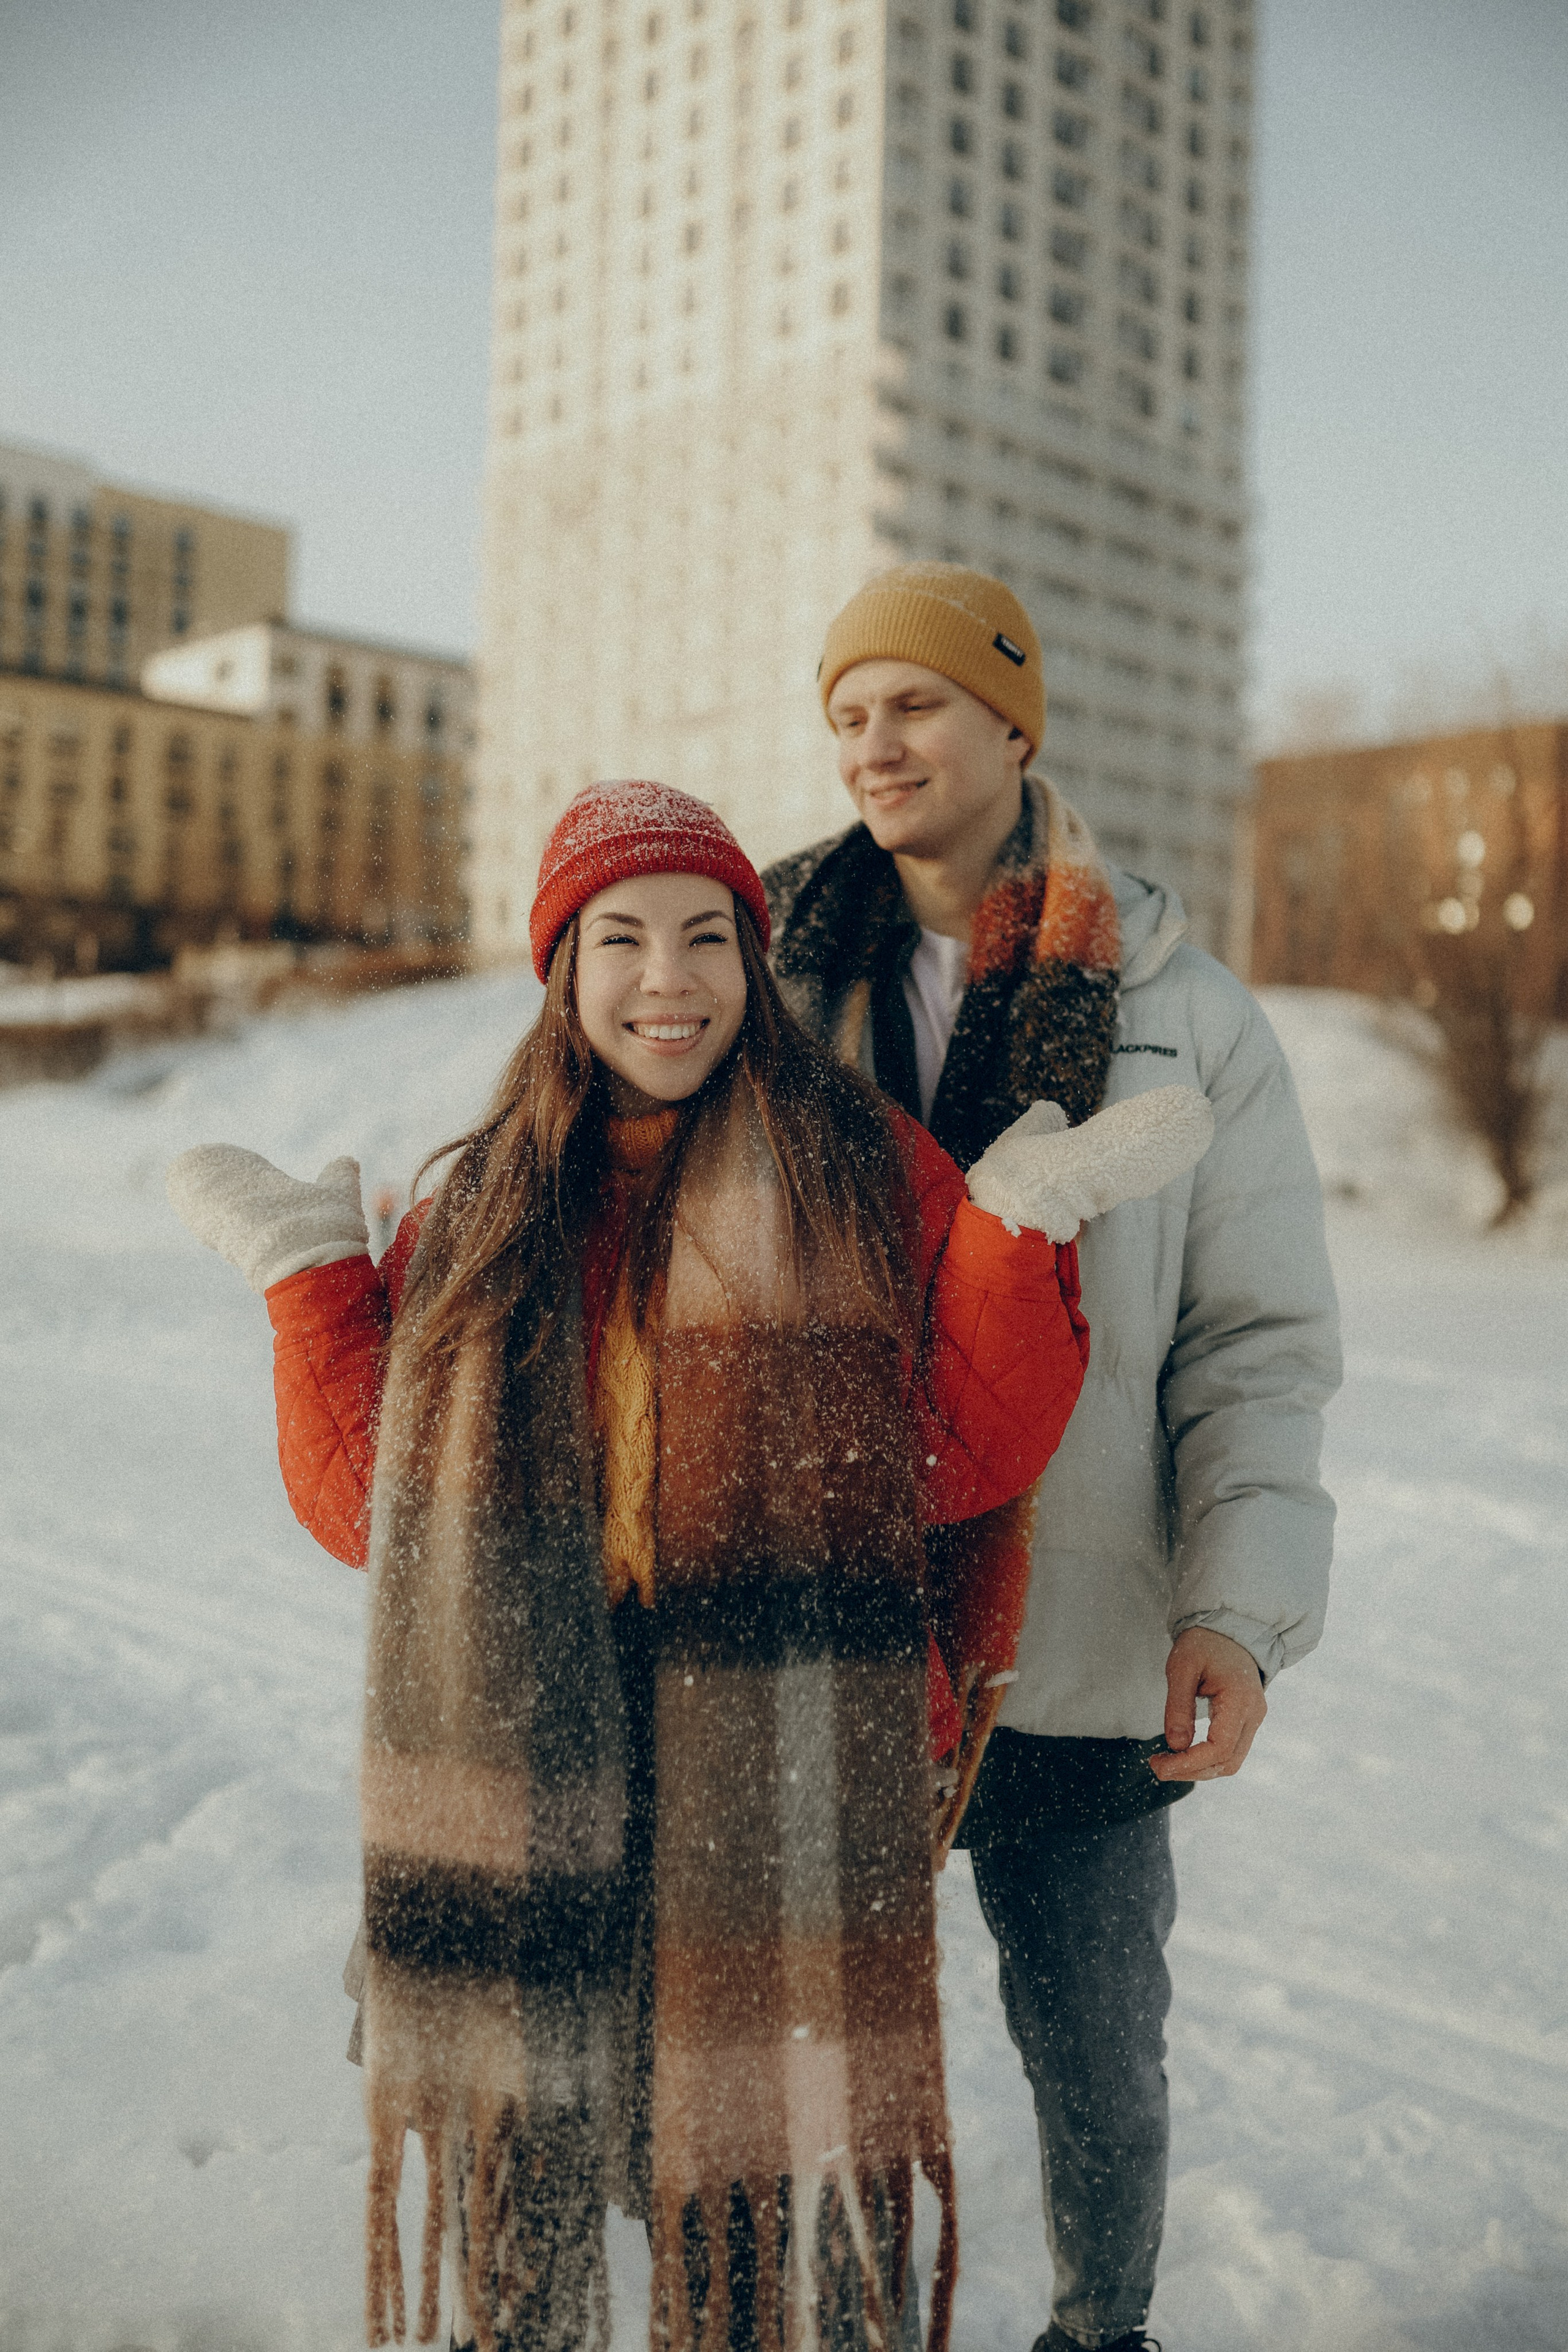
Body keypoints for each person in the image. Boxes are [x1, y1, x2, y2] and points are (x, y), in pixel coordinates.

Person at [164, 780, 1212, 2352]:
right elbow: (376, 1514)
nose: (671, 978)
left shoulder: (864, 1165)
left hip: (776, 1776)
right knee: (538, 2150)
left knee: (757, 2180)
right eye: (624, 939)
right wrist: (320, 1291)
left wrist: (1003, 1242)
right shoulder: (484, 1202)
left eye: (708, 937)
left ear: (749, 956)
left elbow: (955, 1457)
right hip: (538, 1762)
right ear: (563, 970)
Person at [763, 567, 1342, 2352]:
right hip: (828, 1626)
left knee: (1098, 2055)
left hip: (1081, 1646)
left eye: (916, 704)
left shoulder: (1187, 1005)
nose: (876, 742)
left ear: (1017, 722)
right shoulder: (761, 980)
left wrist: (1237, 1611)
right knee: (826, 2075)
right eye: (850, 711)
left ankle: (1105, 2335)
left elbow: (1257, 1342)